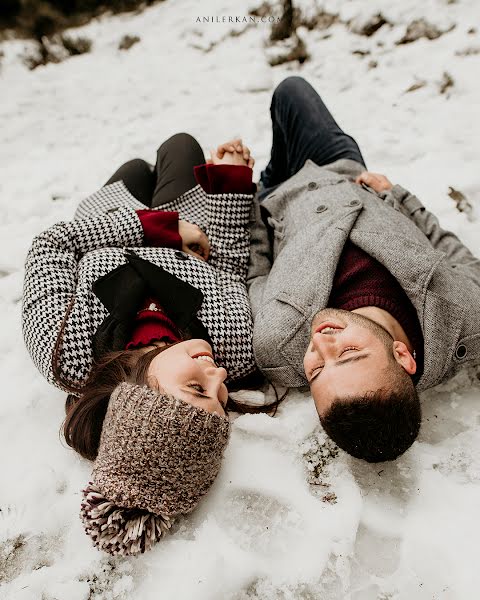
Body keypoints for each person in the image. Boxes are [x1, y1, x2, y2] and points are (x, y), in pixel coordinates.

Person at [22, 132, 257, 554]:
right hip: (191, 222)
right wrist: (231, 185)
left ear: (136, 395)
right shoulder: (234, 345)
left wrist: (154, 227)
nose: (218, 373)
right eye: (220, 395)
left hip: (109, 220)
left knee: (133, 169)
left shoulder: (67, 351)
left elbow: (51, 245)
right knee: (181, 144)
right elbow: (230, 266)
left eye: (196, 387)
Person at [247, 76, 480, 463]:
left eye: (317, 371)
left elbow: (256, 269)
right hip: (340, 169)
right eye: (350, 353)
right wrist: (400, 197)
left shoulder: (278, 345)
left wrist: (247, 197)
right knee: (291, 91)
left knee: (282, 129)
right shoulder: (464, 316)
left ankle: (276, 166)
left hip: (278, 199)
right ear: (404, 356)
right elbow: (455, 254)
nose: (321, 344)